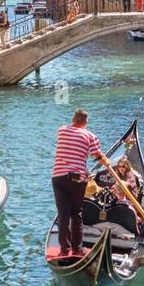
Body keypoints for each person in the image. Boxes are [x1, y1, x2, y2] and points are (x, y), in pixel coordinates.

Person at [51, 109, 112, 257]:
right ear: (86, 122)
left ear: (73, 120)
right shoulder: (90, 136)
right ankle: (77, 248)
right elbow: (97, 155)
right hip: (77, 179)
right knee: (76, 213)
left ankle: (64, 248)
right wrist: (108, 162)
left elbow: (72, 151)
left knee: (63, 213)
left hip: (58, 177)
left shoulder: (62, 131)